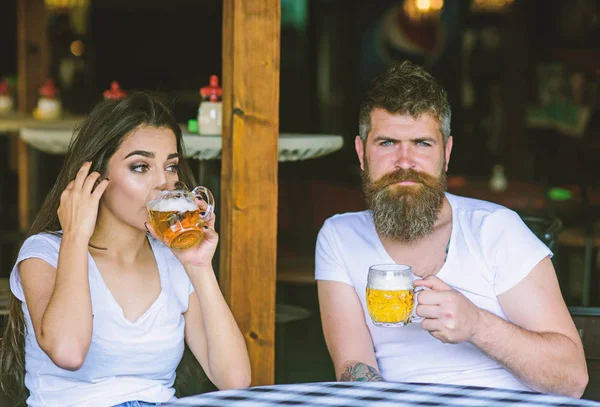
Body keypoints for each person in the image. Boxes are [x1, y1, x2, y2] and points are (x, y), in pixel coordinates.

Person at [315, 61, 588, 397]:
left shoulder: (496, 230)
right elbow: (354, 367)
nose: (404, 161)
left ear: (446, 153)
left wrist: (476, 323)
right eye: (386, 143)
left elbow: (573, 379)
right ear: (361, 153)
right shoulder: (339, 237)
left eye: (421, 143)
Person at [0, 93, 251, 407]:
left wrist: (199, 267)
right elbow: (68, 352)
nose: (164, 183)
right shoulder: (45, 254)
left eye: (171, 167)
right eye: (141, 167)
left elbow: (235, 380)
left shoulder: (170, 259)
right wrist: (76, 233)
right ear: (96, 176)